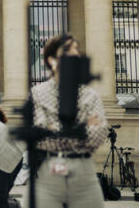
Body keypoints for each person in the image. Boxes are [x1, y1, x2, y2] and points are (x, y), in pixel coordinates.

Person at [28, 34, 106, 208]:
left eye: (76, 49)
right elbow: (40, 137)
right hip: (49, 174)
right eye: (68, 49)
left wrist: (54, 129)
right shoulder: (37, 93)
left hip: (84, 174)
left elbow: (99, 135)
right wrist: (83, 127)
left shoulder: (90, 94)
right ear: (52, 60)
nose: (75, 54)